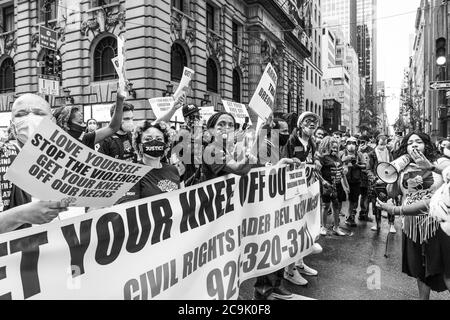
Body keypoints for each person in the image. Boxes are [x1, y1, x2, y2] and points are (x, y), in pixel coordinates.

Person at [376, 132, 450, 299]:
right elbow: (394, 193)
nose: (414, 145)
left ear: (426, 145)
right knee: (420, 270)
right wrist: (392, 175)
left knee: (445, 269)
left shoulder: (439, 161)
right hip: (413, 226)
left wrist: (430, 166)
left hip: (436, 225)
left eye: (418, 142)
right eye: (410, 143)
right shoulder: (404, 165)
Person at [0, 94, 69, 233]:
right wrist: (20, 216)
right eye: (21, 114)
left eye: (39, 113)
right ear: (12, 124)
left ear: (52, 122)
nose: (30, 119)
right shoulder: (4, 157)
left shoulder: (62, 160)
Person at [253, 118, 301, 300]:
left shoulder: (281, 146)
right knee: (268, 248)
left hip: (280, 202)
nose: (286, 134)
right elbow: (263, 173)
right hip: (266, 204)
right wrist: (279, 166)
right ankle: (263, 291)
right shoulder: (264, 146)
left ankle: (277, 284)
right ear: (273, 130)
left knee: (280, 245)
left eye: (288, 130)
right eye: (283, 131)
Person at [123, 121, 180, 201]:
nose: (154, 142)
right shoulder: (133, 174)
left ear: (165, 144)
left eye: (159, 139)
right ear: (139, 145)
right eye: (148, 139)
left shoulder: (173, 170)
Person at [52, 90, 126, 149]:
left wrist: (119, 100)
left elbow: (113, 128)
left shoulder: (85, 137)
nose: (81, 113)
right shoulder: (56, 139)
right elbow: (113, 128)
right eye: (75, 111)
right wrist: (119, 100)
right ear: (66, 119)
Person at [202, 112, 255, 181]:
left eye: (231, 125)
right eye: (221, 124)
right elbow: (239, 169)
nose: (227, 128)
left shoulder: (224, 148)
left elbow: (243, 169)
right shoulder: (212, 150)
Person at [318, 136, 348, 236]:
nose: (335, 149)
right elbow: (316, 171)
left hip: (337, 186)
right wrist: (323, 182)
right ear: (327, 146)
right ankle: (323, 227)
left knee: (336, 206)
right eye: (333, 147)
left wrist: (346, 186)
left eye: (336, 147)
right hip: (327, 186)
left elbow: (342, 173)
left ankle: (336, 227)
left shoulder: (338, 159)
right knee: (325, 206)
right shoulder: (323, 158)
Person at [368, 134, 396, 233]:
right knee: (376, 204)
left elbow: (394, 166)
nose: (383, 146)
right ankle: (377, 224)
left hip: (389, 181)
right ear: (377, 143)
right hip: (377, 182)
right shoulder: (372, 154)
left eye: (385, 144)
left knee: (390, 202)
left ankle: (391, 224)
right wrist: (374, 179)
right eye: (381, 144)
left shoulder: (390, 152)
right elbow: (369, 169)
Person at [340, 136, 366, 227]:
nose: (351, 145)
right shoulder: (341, 153)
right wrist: (344, 161)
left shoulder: (359, 154)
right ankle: (337, 220)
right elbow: (336, 163)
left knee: (353, 200)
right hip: (343, 180)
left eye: (353, 143)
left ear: (356, 145)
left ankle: (350, 217)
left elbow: (365, 166)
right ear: (346, 145)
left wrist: (357, 165)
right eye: (349, 143)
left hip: (356, 180)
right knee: (339, 199)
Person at [358, 135, 374, 222]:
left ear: (367, 142)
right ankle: (358, 214)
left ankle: (364, 214)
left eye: (363, 141)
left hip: (367, 176)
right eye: (360, 141)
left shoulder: (371, 150)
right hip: (358, 176)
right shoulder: (357, 149)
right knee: (360, 196)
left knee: (366, 196)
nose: (362, 143)